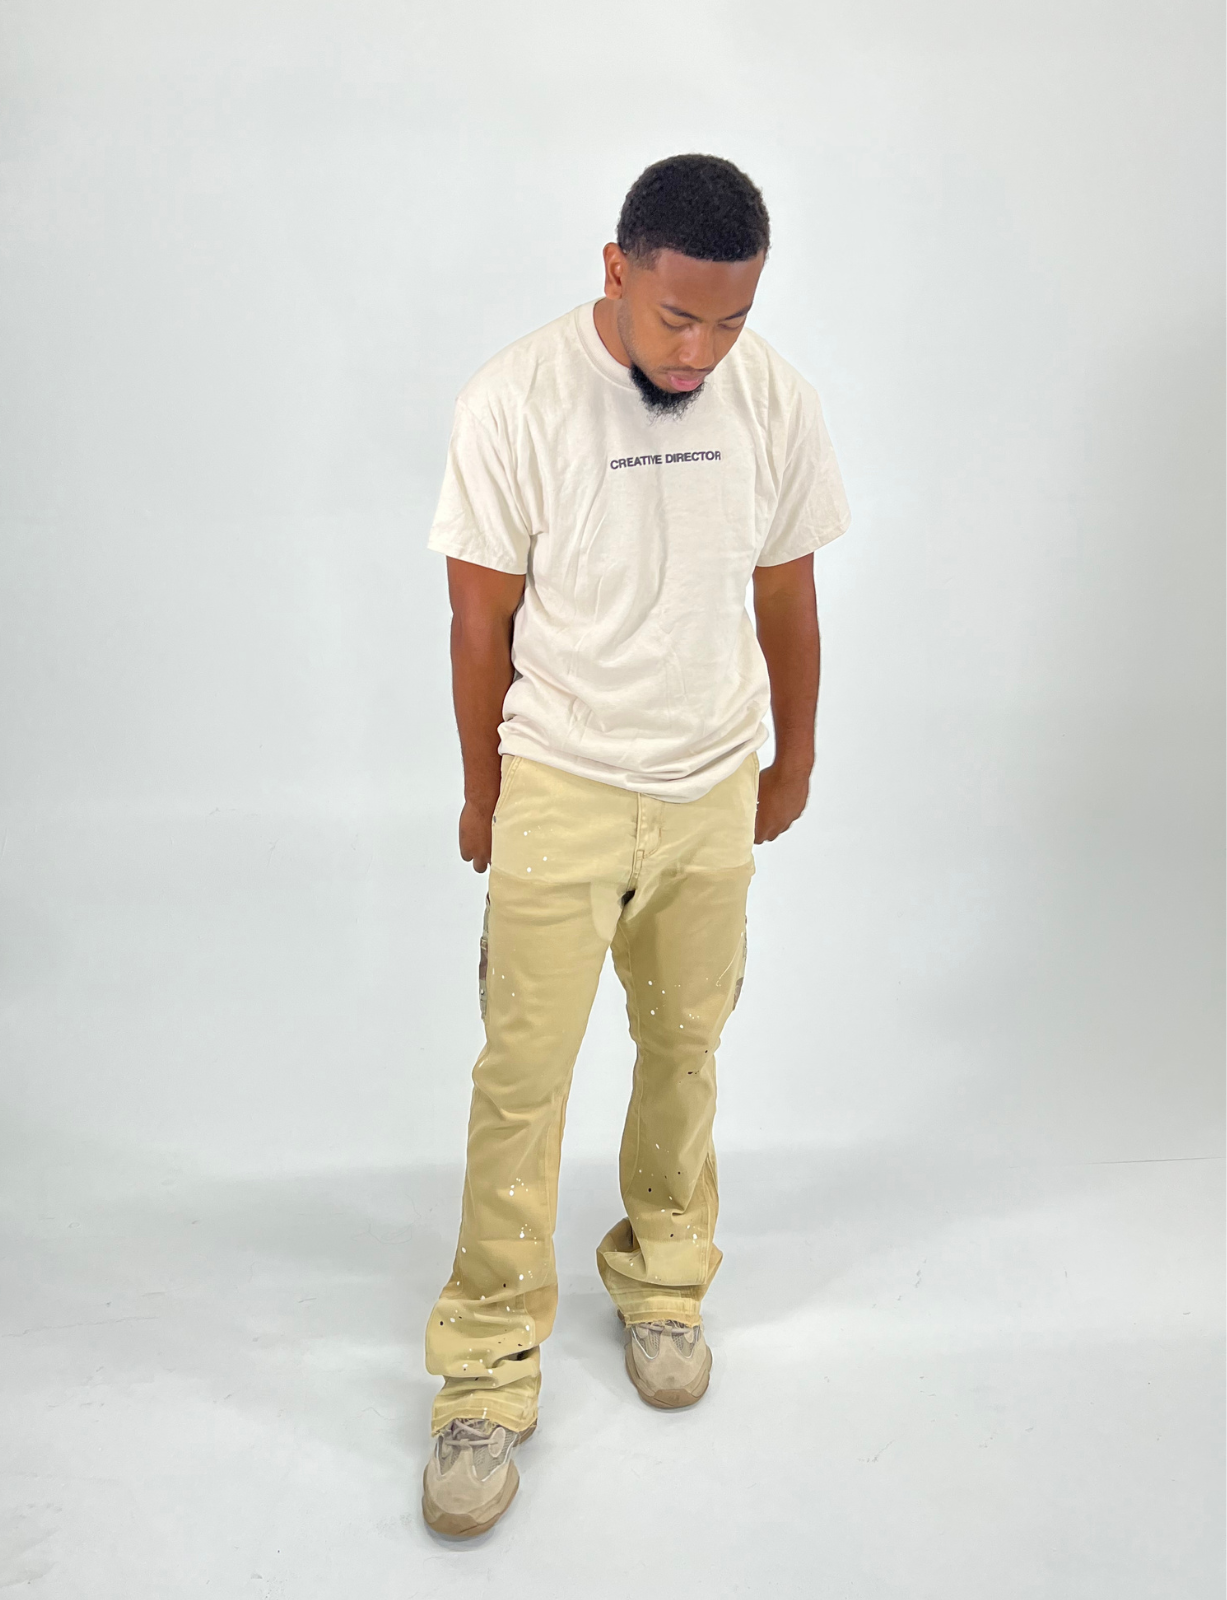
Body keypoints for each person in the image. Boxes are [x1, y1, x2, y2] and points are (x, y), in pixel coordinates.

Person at [420, 153, 850, 1538]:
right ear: (615, 269)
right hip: (560, 781)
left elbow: (787, 593)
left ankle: (664, 1282)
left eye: (730, 320)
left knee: (685, 1051)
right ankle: (486, 1367)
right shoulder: (514, 398)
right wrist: (484, 795)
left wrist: (791, 758)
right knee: (522, 1081)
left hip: (710, 782)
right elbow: (478, 620)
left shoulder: (770, 395)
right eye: (677, 317)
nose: (702, 350)